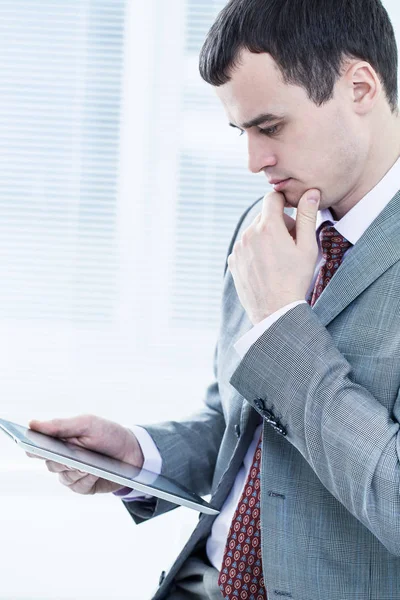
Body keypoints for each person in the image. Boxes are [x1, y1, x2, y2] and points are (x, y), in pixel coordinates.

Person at [28, 0, 400, 598]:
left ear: (359, 87)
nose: (254, 162)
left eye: (271, 127)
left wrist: (282, 323)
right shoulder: (261, 231)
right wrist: (138, 453)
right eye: (242, 131)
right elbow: (242, 425)